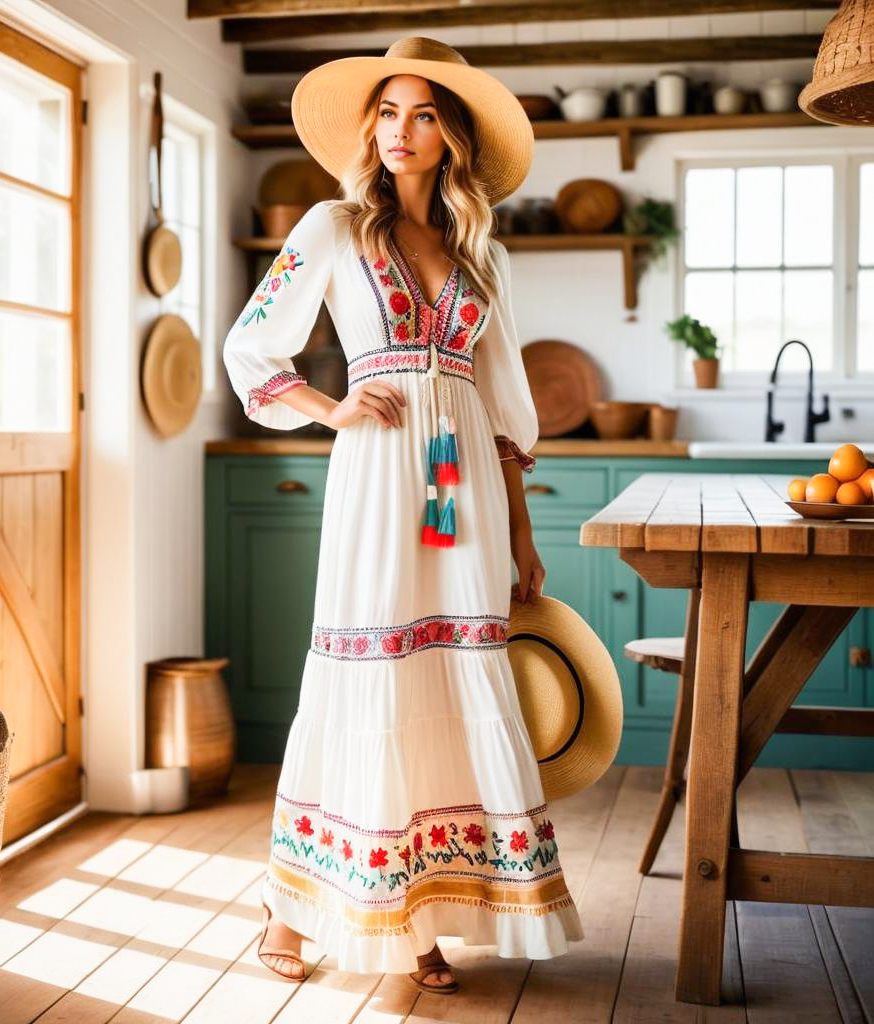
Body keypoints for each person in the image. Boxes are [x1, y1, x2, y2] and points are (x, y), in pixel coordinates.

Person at [222, 36, 584, 994]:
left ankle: (415, 913)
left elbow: (505, 409)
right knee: (369, 677)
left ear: (452, 135)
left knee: (450, 673)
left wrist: (523, 528)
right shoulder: (333, 228)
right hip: (381, 472)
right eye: (387, 112)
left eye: (423, 114)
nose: (401, 131)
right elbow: (252, 347)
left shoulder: (482, 253)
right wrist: (332, 406)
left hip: (455, 481)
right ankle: (290, 904)